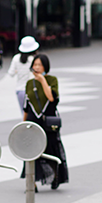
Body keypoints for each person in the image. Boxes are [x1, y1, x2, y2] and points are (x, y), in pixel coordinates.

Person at [22, 54, 68, 189]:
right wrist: (23, 124)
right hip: (32, 120)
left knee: (51, 150)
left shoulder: (52, 80)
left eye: (39, 65)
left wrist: (42, 80)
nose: (36, 67)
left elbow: (52, 98)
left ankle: (55, 176)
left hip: (48, 122)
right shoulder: (29, 83)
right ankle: (32, 182)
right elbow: (27, 105)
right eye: (35, 65)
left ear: (45, 67)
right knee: (31, 150)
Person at [7, 35, 41, 110]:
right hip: (32, 89)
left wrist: (17, 71)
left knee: (24, 114)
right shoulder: (34, 59)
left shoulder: (16, 58)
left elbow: (11, 73)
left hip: (20, 90)